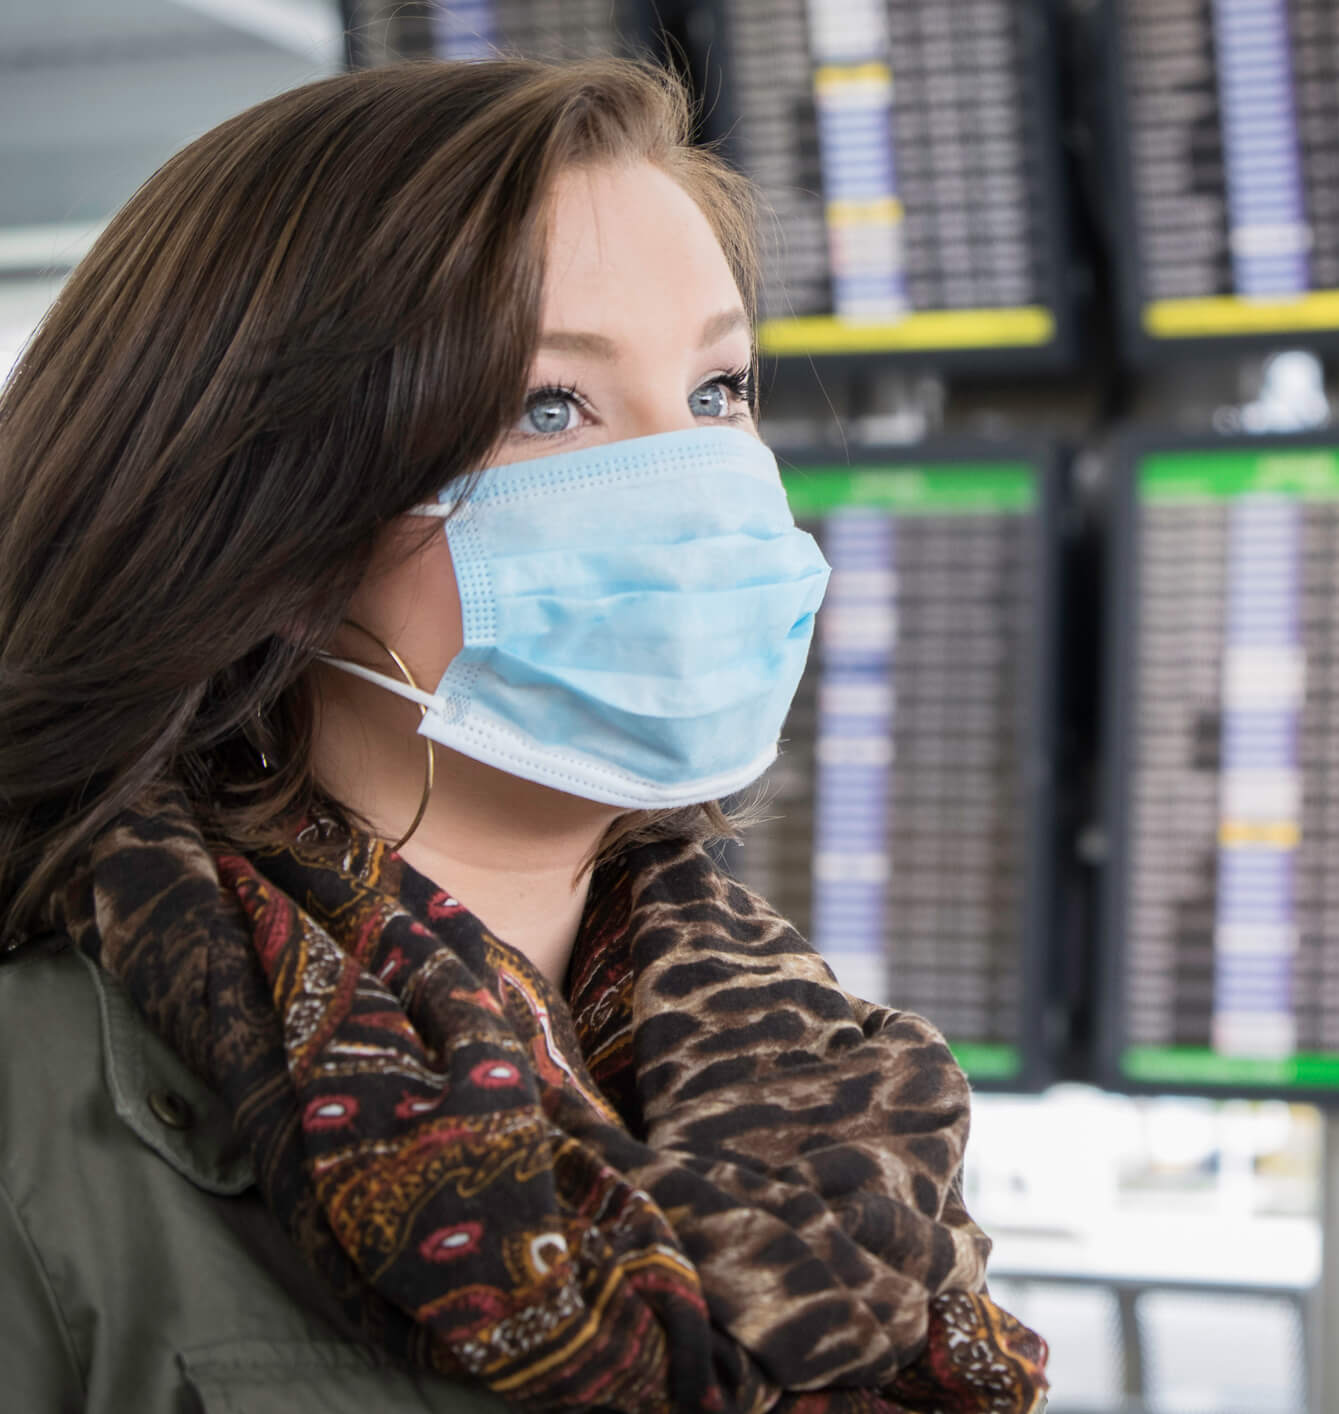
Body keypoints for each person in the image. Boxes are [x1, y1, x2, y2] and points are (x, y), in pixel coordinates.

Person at [0, 57, 1047, 1413]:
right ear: (266, 506)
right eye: (548, 405)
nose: (698, 483)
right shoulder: (38, 1110)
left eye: (719, 389)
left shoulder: (836, 1092)